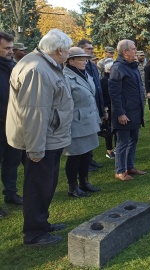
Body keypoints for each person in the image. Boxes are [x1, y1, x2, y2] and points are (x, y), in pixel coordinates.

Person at [6, 29, 73, 246]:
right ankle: (34, 233)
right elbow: (34, 112)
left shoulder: (45, 64)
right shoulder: (37, 69)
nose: (69, 54)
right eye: (68, 50)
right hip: (42, 141)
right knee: (37, 186)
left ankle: (41, 223)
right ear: (59, 50)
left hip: (50, 138)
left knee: (46, 184)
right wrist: (35, 150)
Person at [63, 47, 102, 198]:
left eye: (86, 58)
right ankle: (73, 188)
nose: (85, 61)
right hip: (76, 122)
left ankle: (84, 182)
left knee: (86, 154)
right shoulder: (66, 77)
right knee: (74, 156)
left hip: (89, 120)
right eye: (81, 59)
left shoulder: (85, 74)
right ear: (71, 61)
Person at [109, 39, 146, 181]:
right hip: (124, 113)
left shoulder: (133, 66)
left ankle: (130, 166)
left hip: (135, 111)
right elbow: (114, 93)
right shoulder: (117, 68)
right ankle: (120, 171)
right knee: (122, 142)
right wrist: (120, 113)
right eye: (133, 49)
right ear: (125, 52)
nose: (136, 51)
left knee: (133, 140)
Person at [0, 32, 22, 218]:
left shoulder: (13, 66)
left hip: (13, 125)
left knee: (12, 161)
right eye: (6, 48)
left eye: (11, 48)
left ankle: (11, 193)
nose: (10, 51)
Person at [77, 39, 105, 171]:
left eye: (92, 48)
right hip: (84, 108)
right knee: (85, 137)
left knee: (93, 134)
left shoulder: (92, 65)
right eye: (89, 49)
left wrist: (102, 107)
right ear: (81, 50)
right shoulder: (79, 66)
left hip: (95, 104)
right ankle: (85, 163)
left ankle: (90, 159)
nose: (92, 50)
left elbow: (98, 87)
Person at [100, 58, 116, 159]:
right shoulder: (104, 81)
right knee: (108, 131)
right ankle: (109, 151)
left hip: (115, 107)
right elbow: (103, 96)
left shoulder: (114, 79)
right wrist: (105, 110)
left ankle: (117, 149)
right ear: (109, 69)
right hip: (108, 108)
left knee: (116, 130)